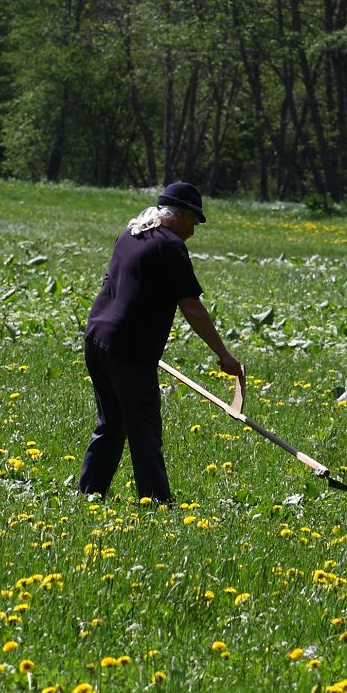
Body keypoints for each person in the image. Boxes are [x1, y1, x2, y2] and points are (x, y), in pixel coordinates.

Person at [78, 181, 243, 504]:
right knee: (145, 430)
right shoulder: (170, 246)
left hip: (97, 340)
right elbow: (191, 306)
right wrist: (224, 354)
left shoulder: (131, 234)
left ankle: (90, 493)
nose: (192, 232)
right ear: (178, 215)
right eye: (193, 222)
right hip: (128, 351)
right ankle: (157, 503)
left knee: (111, 424)